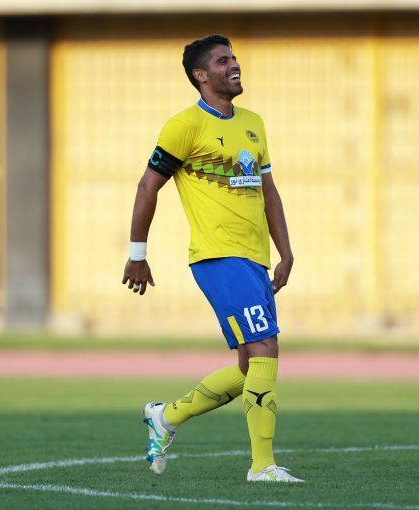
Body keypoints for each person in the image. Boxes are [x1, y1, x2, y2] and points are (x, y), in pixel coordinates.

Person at [122, 35, 302, 483]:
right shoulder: (184, 126)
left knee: (250, 367)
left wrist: (284, 252)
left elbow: (269, 192)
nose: (234, 65)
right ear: (200, 75)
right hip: (218, 256)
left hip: (254, 258)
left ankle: (166, 417)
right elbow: (147, 186)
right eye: (223, 60)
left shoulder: (254, 123)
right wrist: (137, 254)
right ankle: (262, 466)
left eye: (235, 57)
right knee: (266, 348)